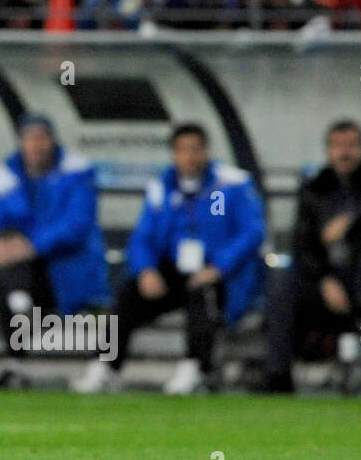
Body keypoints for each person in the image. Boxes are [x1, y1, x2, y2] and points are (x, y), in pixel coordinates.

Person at [73, 124, 265, 395]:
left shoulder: (224, 187)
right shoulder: (161, 188)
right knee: (128, 296)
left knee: (203, 293)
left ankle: (196, 366)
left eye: (196, 149)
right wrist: (146, 270)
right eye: (183, 150)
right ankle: (106, 366)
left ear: (206, 151)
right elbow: (142, 237)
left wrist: (219, 266)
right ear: (174, 153)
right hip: (172, 269)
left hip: (217, 273)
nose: (190, 156)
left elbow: (250, 232)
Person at [260, 121, 361, 392]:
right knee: (281, 280)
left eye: (350, 146)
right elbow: (303, 245)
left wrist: (351, 221)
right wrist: (325, 279)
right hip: (326, 282)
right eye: (338, 146)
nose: (344, 152)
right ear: (328, 150)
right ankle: (278, 374)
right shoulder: (316, 187)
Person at [0, 115, 108, 387]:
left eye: (41, 139)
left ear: (52, 140)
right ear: (21, 143)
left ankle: (21, 320)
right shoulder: (6, 174)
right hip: (21, 270)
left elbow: (76, 226)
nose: (35, 146)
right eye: (30, 139)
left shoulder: (77, 172)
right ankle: (19, 317)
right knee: (5, 266)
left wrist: (31, 246)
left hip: (67, 269)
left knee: (12, 269)